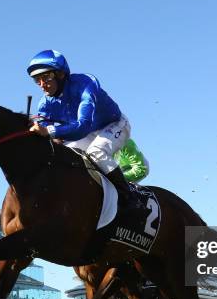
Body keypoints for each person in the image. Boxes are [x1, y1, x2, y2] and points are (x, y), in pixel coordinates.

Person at [27, 50, 141, 210]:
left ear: (60, 74)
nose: (42, 84)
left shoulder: (85, 84)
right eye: (36, 80)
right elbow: (44, 131)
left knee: (96, 152)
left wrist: (49, 132)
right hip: (88, 133)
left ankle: (130, 196)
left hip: (114, 124)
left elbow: (83, 125)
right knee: (64, 156)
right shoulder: (45, 104)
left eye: (46, 77)